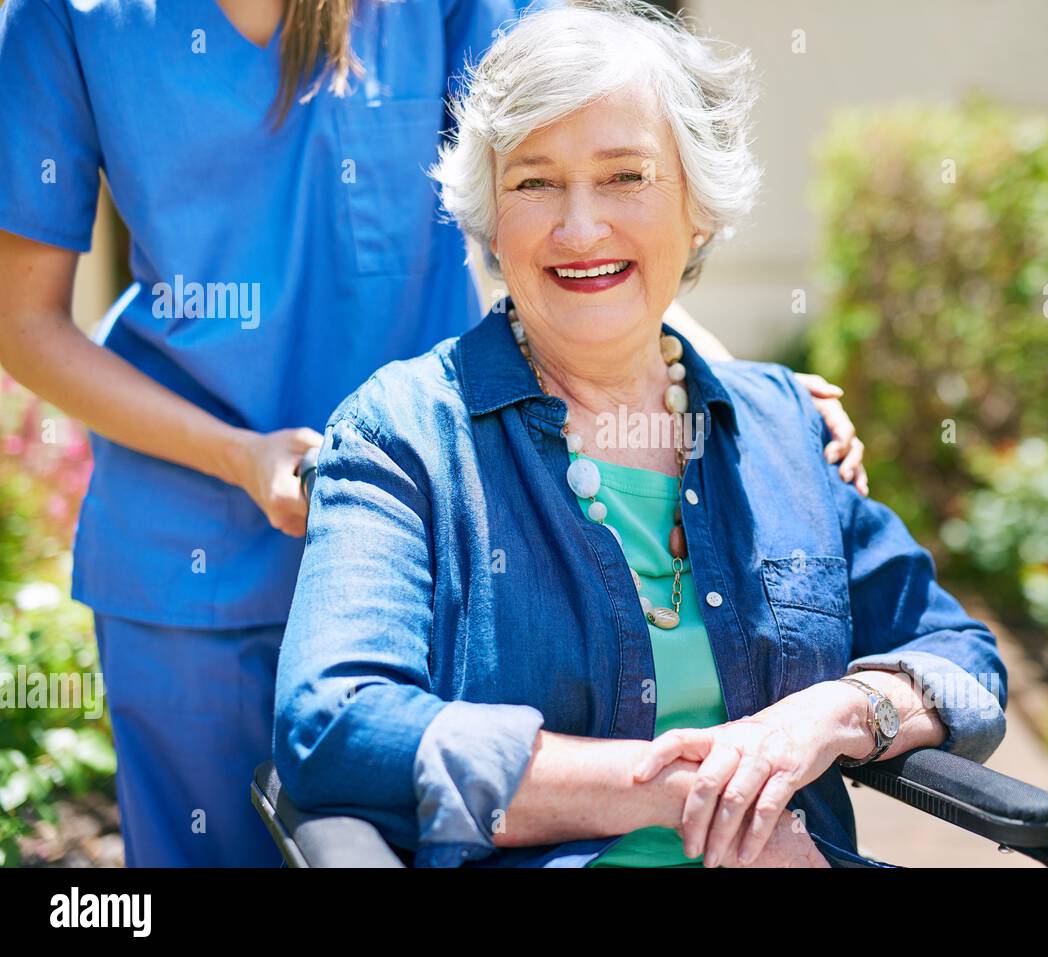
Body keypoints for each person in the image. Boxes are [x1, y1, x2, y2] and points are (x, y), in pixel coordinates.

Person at [0, 0, 867, 867]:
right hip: (189, 559)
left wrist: (737, 393)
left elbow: (563, 188)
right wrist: (239, 455)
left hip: (451, 534)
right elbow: (22, 321)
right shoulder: (70, 18)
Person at [273, 0, 1006, 868]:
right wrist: (692, 789)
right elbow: (334, 721)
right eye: (535, 182)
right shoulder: (404, 434)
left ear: (698, 203)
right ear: (491, 220)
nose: (581, 228)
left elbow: (963, 659)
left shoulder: (781, 428)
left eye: (626, 176)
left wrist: (834, 716)